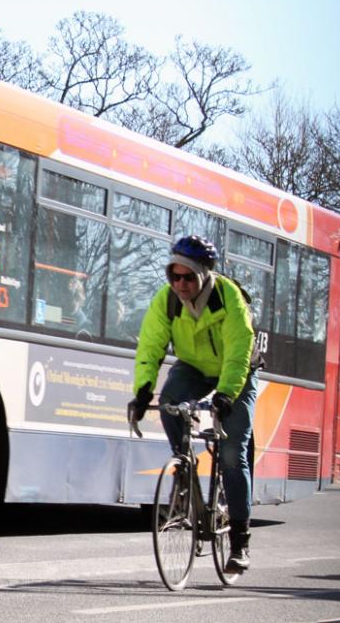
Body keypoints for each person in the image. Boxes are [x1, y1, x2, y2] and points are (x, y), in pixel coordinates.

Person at [128, 235, 258, 573]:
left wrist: (227, 394)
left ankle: (241, 542)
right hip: (195, 367)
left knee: (232, 454)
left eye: (188, 277)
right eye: (174, 275)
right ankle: (184, 470)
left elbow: (239, 351)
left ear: (203, 276)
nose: (180, 284)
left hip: (237, 373)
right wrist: (142, 392)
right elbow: (151, 346)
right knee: (170, 401)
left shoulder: (229, 298)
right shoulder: (166, 300)